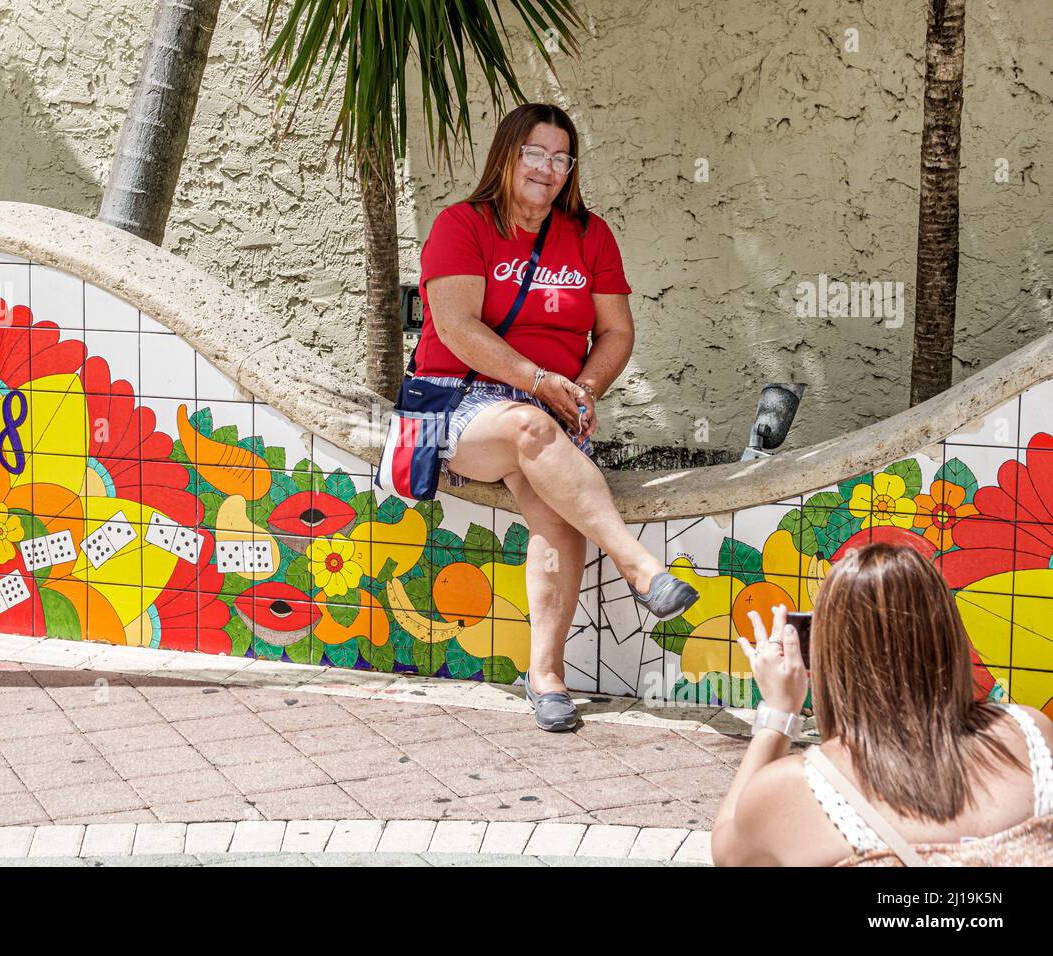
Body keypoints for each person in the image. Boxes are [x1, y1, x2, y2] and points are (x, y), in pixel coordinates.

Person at [416, 103, 699, 732]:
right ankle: (638, 566)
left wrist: (586, 388)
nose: (548, 169)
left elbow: (617, 330)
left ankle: (545, 675)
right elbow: (457, 328)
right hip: (455, 402)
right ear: (508, 157)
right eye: (535, 154)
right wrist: (540, 382)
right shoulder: (461, 225)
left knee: (553, 511)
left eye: (561, 157)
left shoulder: (589, 235)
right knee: (531, 428)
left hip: (547, 408)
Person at [711, 542, 1053, 866]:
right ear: (947, 633)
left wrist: (779, 712)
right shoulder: (1030, 735)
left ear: (832, 655)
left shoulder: (798, 789)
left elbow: (729, 854)